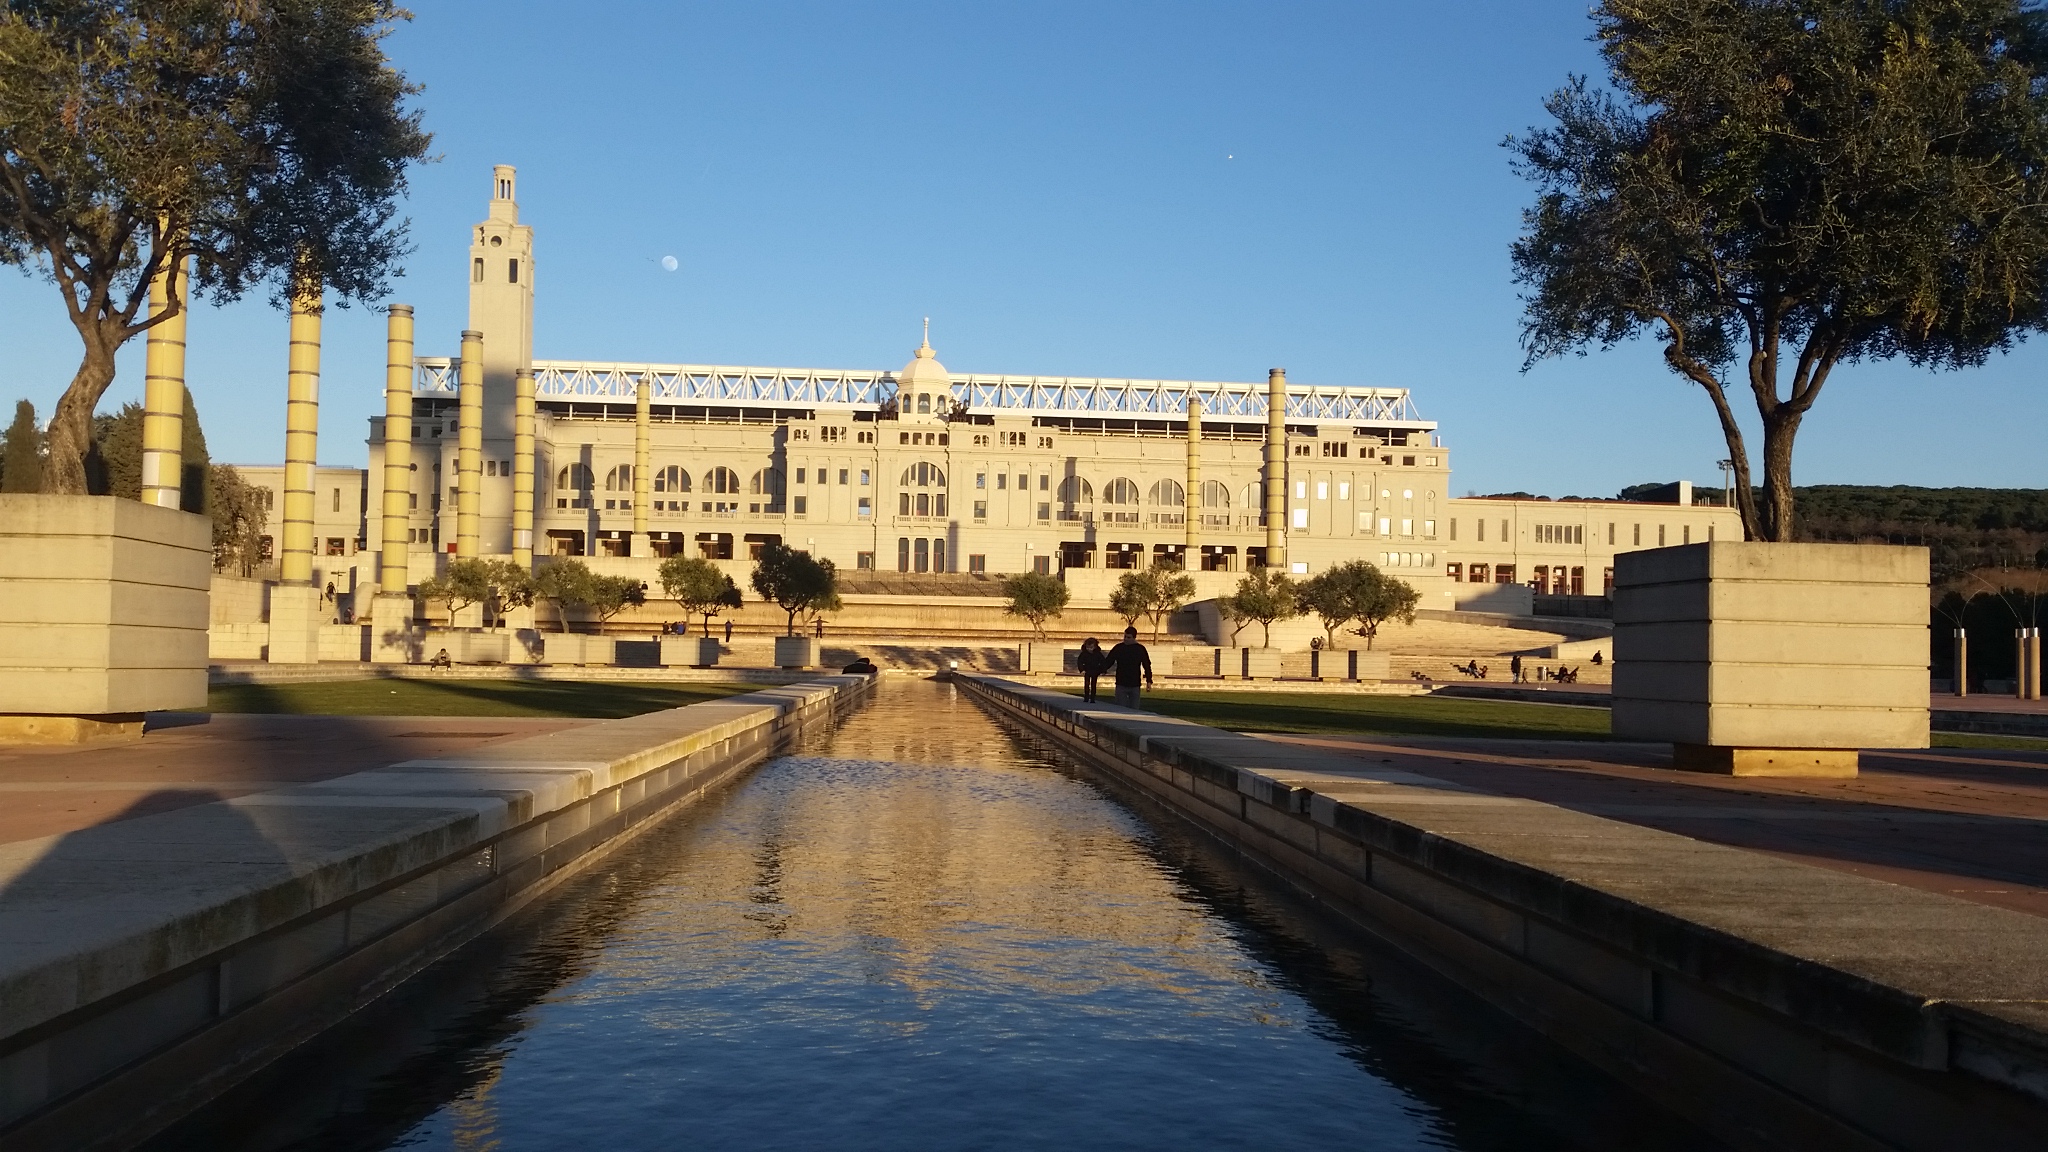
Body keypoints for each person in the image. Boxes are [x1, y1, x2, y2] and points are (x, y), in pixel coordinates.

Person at [1106, 626, 1152, 709]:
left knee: (1134, 710)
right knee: (1120, 709)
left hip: (1134, 684)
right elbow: (1109, 661)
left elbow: (1147, 665)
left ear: (1134, 637)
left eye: (1128, 637)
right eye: (1125, 637)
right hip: (1121, 683)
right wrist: (1100, 669)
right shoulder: (1119, 648)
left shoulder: (1140, 649)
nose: (1126, 639)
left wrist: (1149, 680)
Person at [1078, 637, 1105, 703]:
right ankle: (1086, 697)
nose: (1089, 649)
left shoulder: (1098, 654)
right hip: (1087, 670)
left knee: (1093, 684)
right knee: (1087, 684)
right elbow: (1080, 661)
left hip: (1095, 671)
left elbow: (1102, 662)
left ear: (1095, 647)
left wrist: (1103, 670)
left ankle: (1093, 698)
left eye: (1091, 647)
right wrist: (1082, 670)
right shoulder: (1084, 653)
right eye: (1088, 647)